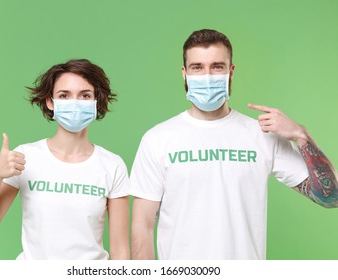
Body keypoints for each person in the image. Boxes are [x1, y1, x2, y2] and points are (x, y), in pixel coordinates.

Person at [129, 29, 338, 260]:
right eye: (197, 67)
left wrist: (301, 135)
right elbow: (142, 226)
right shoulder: (158, 139)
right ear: (184, 73)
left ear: (231, 71)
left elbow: (332, 196)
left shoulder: (261, 135)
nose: (207, 76)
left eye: (217, 66)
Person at [0, 59, 130, 260]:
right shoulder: (26, 158)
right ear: (50, 102)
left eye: (85, 95)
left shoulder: (112, 165)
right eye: (64, 95)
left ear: (96, 102)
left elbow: (120, 250)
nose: (74, 103)